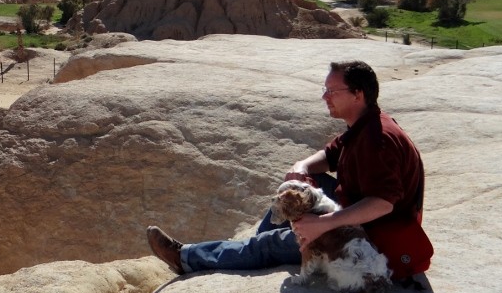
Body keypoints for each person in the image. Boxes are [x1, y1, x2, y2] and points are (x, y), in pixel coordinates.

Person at [147, 60, 430, 278]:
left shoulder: (377, 140)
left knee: (269, 246)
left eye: (332, 91)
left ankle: (185, 258)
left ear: (358, 95)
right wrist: (302, 167)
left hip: (372, 236)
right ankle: (257, 248)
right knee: (294, 191)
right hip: (355, 210)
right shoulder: (365, 125)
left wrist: (324, 223)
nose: (325, 97)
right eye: (325, 90)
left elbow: (382, 204)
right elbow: (329, 155)